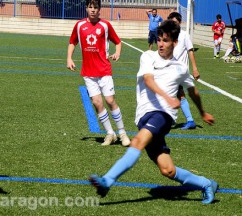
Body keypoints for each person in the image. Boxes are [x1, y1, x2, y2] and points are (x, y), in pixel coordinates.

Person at [89, 20, 218, 204]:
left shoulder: (181, 67)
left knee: (137, 141)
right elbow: (148, 79)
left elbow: (192, 91)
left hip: (163, 115)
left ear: (174, 42)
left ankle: (107, 181)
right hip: (144, 116)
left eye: (165, 40)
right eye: (159, 39)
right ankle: (207, 184)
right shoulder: (148, 56)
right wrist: (167, 96)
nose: (161, 44)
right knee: (168, 170)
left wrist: (202, 112)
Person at [67, 0, 130, 147]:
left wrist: (117, 53)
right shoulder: (80, 25)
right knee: (97, 103)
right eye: (90, 7)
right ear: (86, 8)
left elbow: (118, 42)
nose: (93, 10)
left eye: (95, 7)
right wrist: (69, 58)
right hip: (88, 73)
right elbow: (72, 42)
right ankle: (110, 134)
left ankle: (122, 133)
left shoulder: (105, 25)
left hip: (104, 70)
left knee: (109, 100)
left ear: (100, 9)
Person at [168, 12, 198, 130]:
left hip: (179, 71)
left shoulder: (184, 35)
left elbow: (190, 51)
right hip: (169, 70)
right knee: (177, 95)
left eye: (175, 22)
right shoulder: (169, 35)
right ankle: (188, 120)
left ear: (180, 23)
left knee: (176, 95)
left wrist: (195, 69)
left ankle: (185, 120)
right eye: (172, 22)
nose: (173, 24)